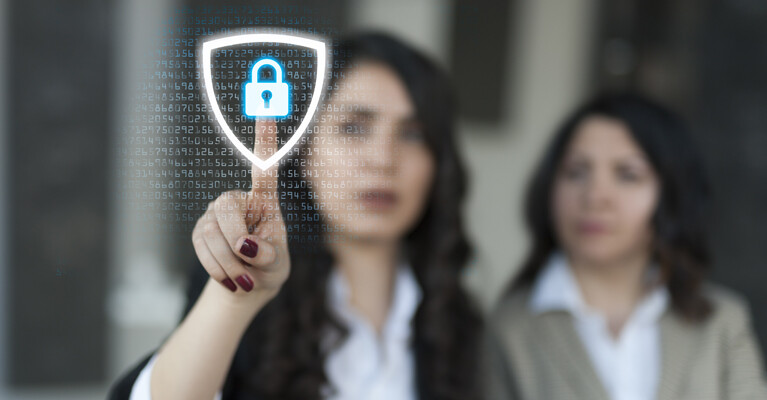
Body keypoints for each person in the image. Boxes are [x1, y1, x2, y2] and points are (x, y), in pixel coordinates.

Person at [108, 33, 482, 400]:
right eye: (353, 128)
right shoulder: (246, 288)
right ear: (304, 150)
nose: (383, 159)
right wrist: (236, 300)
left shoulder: (461, 324)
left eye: (413, 134)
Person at [485, 93, 767, 400]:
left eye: (628, 175)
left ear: (672, 194)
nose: (595, 196)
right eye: (576, 172)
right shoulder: (507, 331)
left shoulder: (722, 323)